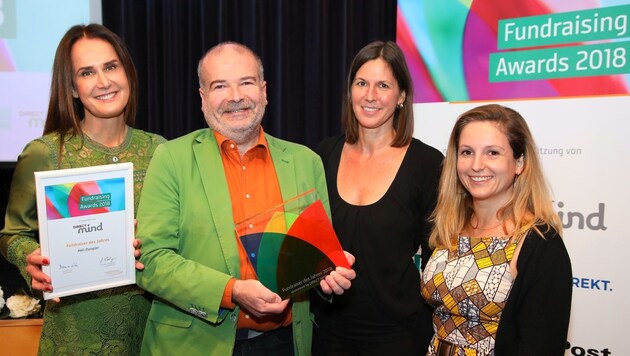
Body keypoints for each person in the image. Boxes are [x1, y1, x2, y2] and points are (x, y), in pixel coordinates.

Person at [134, 42, 355, 356]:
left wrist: (329, 276)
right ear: (203, 97)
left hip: (286, 345)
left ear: (264, 91)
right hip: (194, 345)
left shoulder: (306, 161)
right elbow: (151, 262)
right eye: (220, 85)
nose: (235, 96)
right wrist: (232, 291)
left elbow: (317, 260)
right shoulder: (172, 159)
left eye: (246, 82)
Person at [0, 24, 166, 354]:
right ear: (73, 88)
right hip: (74, 339)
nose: (103, 82)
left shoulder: (160, 151)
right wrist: (28, 257)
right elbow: (11, 234)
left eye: (111, 66)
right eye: (87, 72)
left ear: (127, 73)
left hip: (152, 334)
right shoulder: (45, 153)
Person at [312, 41, 443, 355]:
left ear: (400, 97)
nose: (370, 96)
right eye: (361, 83)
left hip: (398, 336)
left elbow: (436, 260)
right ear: (350, 91)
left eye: (383, 85)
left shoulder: (427, 163)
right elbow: (308, 244)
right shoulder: (322, 155)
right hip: (328, 332)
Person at [421, 104, 572, 355]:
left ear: (519, 162)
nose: (477, 165)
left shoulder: (539, 243)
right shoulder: (450, 228)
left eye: (492, 153)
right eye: (467, 152)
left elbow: (541, 345)